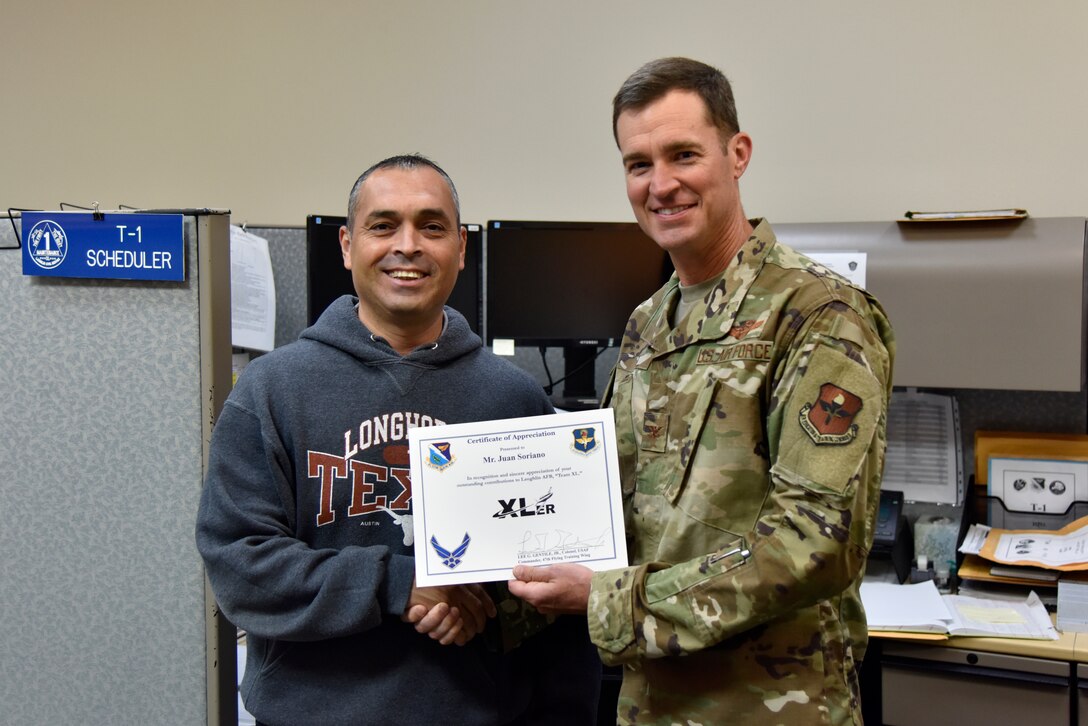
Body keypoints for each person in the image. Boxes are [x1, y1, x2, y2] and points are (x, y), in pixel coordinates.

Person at [509, 58, 895, 725]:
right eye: (638, 164)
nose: (661, 185)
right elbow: (615, 512)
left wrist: (608, 602)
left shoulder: (817, 315)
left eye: (683, 155)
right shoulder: (649, 323)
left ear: (737, 154)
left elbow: (816, 541)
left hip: (768, 708)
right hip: (651, 702)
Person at [197, 154, 600, 726]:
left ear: (461, 248)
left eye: (431, 227)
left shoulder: (515, 401)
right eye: (383, 225)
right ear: (346, 245)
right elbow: (241, 566)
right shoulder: (272, 390)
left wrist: (479, 609)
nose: (407, 245)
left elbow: (558, 598)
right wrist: (398, 583)